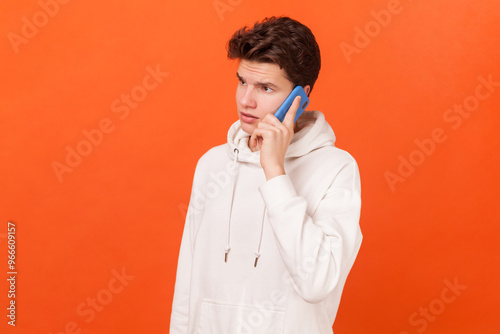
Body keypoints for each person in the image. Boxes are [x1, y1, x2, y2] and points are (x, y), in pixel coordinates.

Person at [169, 16, 363, 334]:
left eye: (265, 87)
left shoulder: (336, 168)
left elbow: (316, 282)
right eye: (242, 81)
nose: (246, 100)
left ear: (300, 97)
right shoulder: (212, 165)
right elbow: (187, 284)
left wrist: (274, 171)